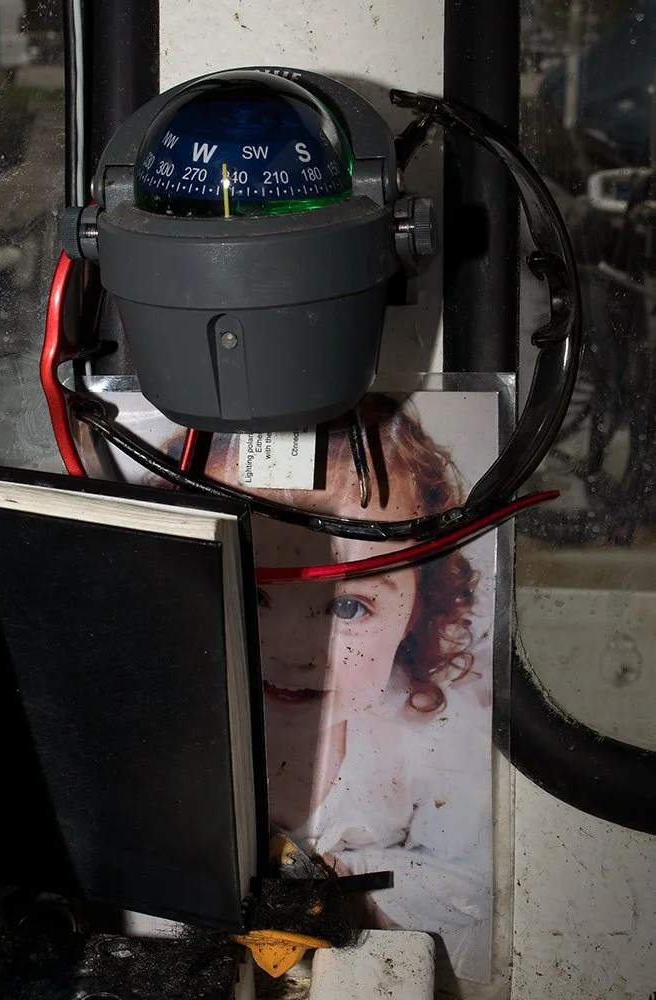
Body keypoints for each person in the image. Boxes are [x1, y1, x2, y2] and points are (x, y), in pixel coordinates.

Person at [151, 392, 494, 981]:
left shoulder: (427, 736)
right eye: (253, 595)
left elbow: (471, 883)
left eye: (347, 607)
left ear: (416, 614)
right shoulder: (160, 730)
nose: (294, 649)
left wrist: (357, 892)